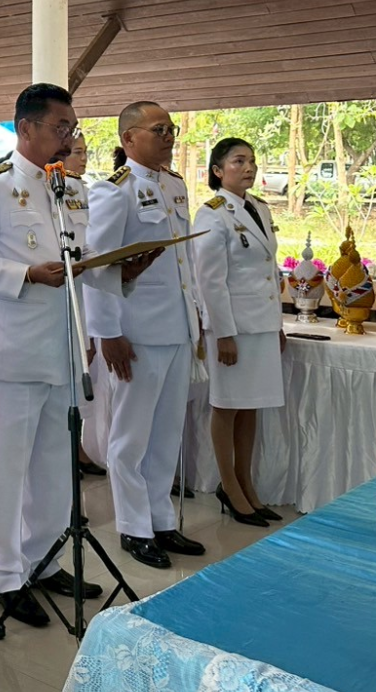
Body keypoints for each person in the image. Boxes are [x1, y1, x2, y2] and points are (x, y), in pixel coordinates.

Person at [0, 84, 116, 627]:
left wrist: (114, 265)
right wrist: (24, 274)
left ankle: (44, 559)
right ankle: (5, 575)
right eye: (59, 128)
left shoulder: (69, 188)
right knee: (10, 467)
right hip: (16, 351)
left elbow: (79, 255)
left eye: (72, 128)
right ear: (26, 128)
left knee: (55, 464)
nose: (68, 138)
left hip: (64, 348)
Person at [84, 102, 205, 569]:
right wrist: (108, 332)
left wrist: (195, 320)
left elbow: (184, 266)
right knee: (130, 437)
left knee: (167, 433)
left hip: (175, 327)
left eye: (171, 129)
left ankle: (160, 520)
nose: (169, 137)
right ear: (129, 138)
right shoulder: (116, 191)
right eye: (159, 130)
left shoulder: (174, 185)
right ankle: (134, 527)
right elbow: (98, 268)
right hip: (135, 332)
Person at [190, 138, 285, 527]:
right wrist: (222, 333)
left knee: (251, 405)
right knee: (227, 405)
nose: (249, 168)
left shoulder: (258, 207)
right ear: (218, 170)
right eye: (238, 161)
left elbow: (268, 270)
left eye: (252, 161)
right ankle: (228, 485)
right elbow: (209, 281)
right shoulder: (212, 214)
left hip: (260, 323)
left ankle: (246, 483)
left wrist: (277, 325)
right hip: (233, 327)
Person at [63, 134, 106, 478]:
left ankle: (76, 448)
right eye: (77, 152)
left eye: (85, 152)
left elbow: (88, 250)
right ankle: (66, 452)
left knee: (81, 385)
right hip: (56, 306)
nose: (83, 158)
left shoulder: (81, 191)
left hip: (84, 300)